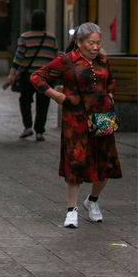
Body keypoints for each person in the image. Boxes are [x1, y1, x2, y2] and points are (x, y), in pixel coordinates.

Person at [30, 22, 122, 229]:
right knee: (75, 162)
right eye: (91, 43)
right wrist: (57, 96)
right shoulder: (66, 61)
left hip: (103, 115)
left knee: (106, 163)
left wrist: (110, 95)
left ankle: (93, 201)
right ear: (79, 42)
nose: (96, 47)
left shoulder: (104, 60)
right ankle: (71, 210)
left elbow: (111, 81)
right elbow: (36, 77)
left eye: (98, 43)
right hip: (76, 118)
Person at [3, 10, 59, 141]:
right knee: (43, 103)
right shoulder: (51, 38)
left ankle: (27, 127)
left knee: (25, 100)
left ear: (32, 22)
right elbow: (55, 59)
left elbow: (18, 59)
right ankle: (39, 132)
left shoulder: (25, 37)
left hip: (29, 76)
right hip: (45, 76)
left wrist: (11, 75)